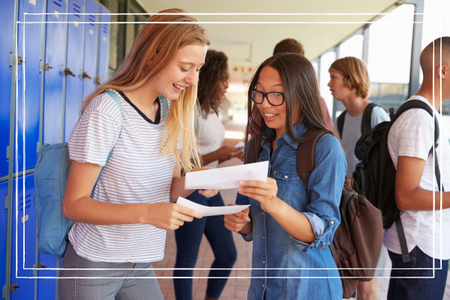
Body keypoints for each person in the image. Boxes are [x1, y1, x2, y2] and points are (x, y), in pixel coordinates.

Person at [58, 9, 218, 300]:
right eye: (185, 68)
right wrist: (148, 213)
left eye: (198, 69)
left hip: (140, 261)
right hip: (95, 264)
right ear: (154, 55)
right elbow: (74, 205)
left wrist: (195, 180)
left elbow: (168, 189)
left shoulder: (170, 112)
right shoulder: (107, 111)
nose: (193, 80)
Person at [224, 53, 346, 300]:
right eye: (259, 92)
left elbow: (322, 231)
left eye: (276, 95)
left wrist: (273, 204)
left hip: (309, 289)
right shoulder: (256, 147)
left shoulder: (325, 147)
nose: (264, 104)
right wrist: (240, 222)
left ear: (300, 95)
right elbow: (251, 220)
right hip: (263, 288)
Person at [173, 50, 242, 300]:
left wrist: (227, 154)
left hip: (210, 187)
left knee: (227, 254)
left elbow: (208, 151)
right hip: (191, 188)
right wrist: (217, 155)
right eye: (222, 79)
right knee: (187, 259)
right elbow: (182, 164)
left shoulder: (210, 110)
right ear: (210, 78)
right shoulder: (189, 109)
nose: (226, 85)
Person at [385, 36, 450, 300]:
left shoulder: (427, 115)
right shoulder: (419, 119)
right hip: (420, 246)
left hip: (422, 244)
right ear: (442, 70)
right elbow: (406, 195)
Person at [328, 56, 389, 300]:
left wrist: (358, 182)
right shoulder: (342, 118)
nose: (329, 84)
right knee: (348, 279)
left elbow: (387, 168)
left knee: (366, 284)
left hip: (369, 210)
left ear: (351, 80)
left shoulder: (376, 115)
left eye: (334, 77)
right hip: (349, 209)